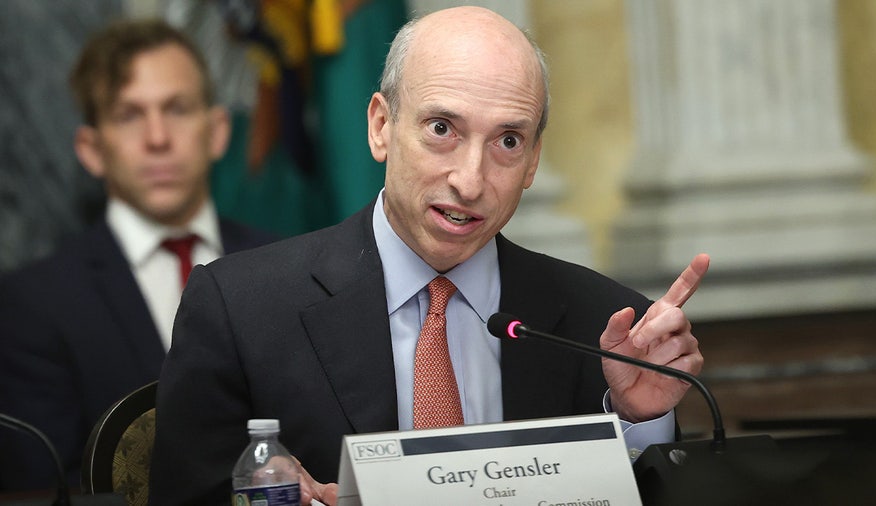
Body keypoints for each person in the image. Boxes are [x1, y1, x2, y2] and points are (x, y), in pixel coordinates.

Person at [150, 6, 708, 505]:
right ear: (381, 127)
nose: (470, 181)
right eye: (442, 129)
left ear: (534, 161)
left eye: (507, 142)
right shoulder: (240, 309)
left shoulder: (604, 325)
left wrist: (640, 420)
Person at [0, 19, 277, 491]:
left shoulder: (284, 265)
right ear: (91, 149)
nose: (157, 138)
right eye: (129, 115)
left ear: (216, 131)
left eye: (177, 108)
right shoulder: (32, 303)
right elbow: (44, 490)